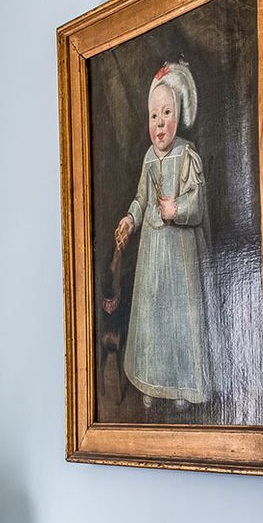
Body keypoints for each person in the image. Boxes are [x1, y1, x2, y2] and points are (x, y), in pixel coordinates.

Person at [104, 61, 209, 408]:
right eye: (154, 116)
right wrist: (130, 219)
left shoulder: (187, 154)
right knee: (153, 320)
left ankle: (180, 388)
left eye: (167, 113)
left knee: (178, 318)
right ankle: (151, 383)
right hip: (152, 256)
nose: (160, 123)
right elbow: (141, 198)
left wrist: (176, 208)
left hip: (179, 257)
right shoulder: (149, 157)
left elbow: (197, 202)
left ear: (178, 115)